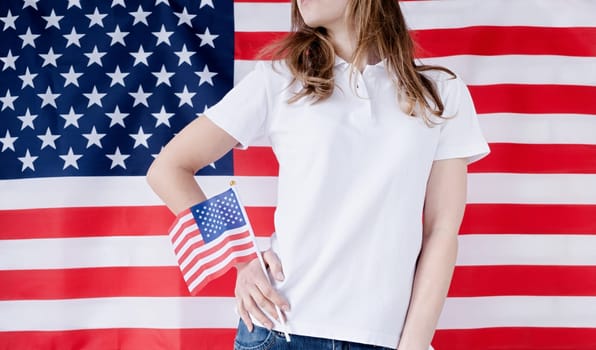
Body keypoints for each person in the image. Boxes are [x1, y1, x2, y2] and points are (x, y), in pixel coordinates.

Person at [146, 0, 490, 349]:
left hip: (384, 337)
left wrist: (415, 342)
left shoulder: (441, 91)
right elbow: (169, 169)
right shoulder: (278, 81)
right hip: (279, 330)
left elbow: (442, 230)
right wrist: (242, 261)